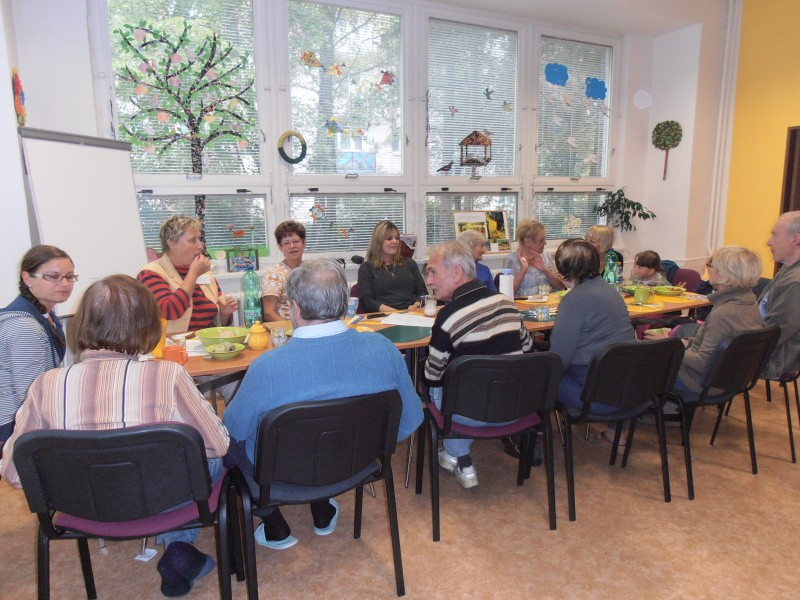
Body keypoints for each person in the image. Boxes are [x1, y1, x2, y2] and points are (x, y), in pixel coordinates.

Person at [0, 275, 230, 598]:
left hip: (82, 506)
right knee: (211, 459)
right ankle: (178, 546)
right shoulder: (168, 375)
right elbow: (218, 445)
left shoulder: (44, 385)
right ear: (149, 325)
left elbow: (13, 473)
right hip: (163, 500)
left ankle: (178, 548)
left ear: (82, 323)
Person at [223, 259, 423, 550]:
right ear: (344, 303)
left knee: (229, 444)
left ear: (295, 308)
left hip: (281, 476)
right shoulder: (385, 350)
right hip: (356, 465)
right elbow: (410, 420)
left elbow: (233, 431)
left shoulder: (266, 367)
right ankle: (322, 506)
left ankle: (272, 521)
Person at [424, 242, 533, 488]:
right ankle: (455, 455)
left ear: (457, 272)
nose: (429, 281)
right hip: (514, 409)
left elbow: (432, 376)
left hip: (469, 415)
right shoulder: (507, 304)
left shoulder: (448, 317)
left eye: (433, 272)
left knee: (435, 383)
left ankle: (460, 458)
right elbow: (527, 349)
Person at [645, 246, 764, 394]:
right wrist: (684, 342)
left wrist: (671, 346)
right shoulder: (749, 302)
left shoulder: (723, 314)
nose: (709, 270)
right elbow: (716, 345)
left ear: (721, 275)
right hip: (730, 379)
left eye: (711, 266)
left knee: (641, 363)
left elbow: (703, 362)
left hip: (700, 382)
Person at [550, 240, 634, 445]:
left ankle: (534, 440)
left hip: (595, 394)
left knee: (537, 377)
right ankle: (617, 433)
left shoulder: (573, 301)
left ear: (564, 271)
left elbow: (558, 359)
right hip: (630, 387)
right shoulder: (611, 291)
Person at [0, 245, 75, 447]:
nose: (65, 283)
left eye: (69, 276)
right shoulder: (24, 326)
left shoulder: (45, 313)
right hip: (13, 429)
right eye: (53, 276)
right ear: (27, 278)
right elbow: (30, 395)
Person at [138, 215, 238, 334]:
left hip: (205, 341)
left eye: (199, 239)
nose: (200, 246)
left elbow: (216, 325)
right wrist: (193, 274)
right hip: (172, 343)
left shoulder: (205, 272)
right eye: (192, 240)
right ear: (171, 243)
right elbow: (169, 311)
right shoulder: (150, 273)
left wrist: (224, 313)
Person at [756, 211, 800, 379]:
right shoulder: (788, 270)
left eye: (774, 235)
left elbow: (775, 333)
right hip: (763, 347)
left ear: (795, 239)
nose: (768, 242)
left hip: (774, 359)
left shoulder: (795, 282)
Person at [357, 220, 428, 313]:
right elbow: (367, 300)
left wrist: (416, 305)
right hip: (384, 315)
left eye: (397, 238)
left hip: (412, 313)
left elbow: (423, 293)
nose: (395, 241)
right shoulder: (367, 268)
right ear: (378, 242)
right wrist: (396, 313)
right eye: (389, 238)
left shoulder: (410, 263)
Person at [503, 219, 564, 296]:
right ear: (527, 242)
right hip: (522, 302)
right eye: (541, 240)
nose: (545, 243)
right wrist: (523, 270)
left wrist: (545, 270)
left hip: (549, 301)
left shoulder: (545, 256)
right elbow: (508, 294)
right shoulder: (511, 259)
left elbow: (561, 288)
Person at [261, 220, 306, 322]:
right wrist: (290, 329)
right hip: (286, 327)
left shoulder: (310, 270)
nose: (292, 246)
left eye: (296, 241)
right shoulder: (274, 274)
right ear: (280, 246)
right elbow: (268, 312)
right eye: (286, 243)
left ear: (304, 242)